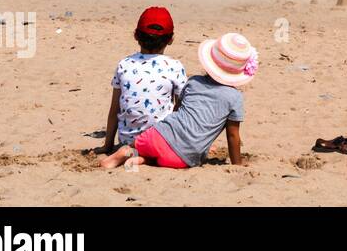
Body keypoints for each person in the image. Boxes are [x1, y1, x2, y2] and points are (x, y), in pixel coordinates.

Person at [100, 32, 255, 169]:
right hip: (183, 157)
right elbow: (233, 136)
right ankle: (143, 160)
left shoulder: (194, 82)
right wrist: (237, 164)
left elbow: (177, 110)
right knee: (165, 159)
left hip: (157, 135)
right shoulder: (235, 98)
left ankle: (130, 153)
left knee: (147, 147)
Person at [101, 7, 187, 156]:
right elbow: (182, 110)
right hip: (161, 141)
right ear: (171, 39)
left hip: (126, 142)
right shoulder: (175, 67)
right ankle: (146, 155)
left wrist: (107, 145)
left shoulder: (124, 64)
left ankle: (131, 155)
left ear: (136, 35)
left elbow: (114, 109)